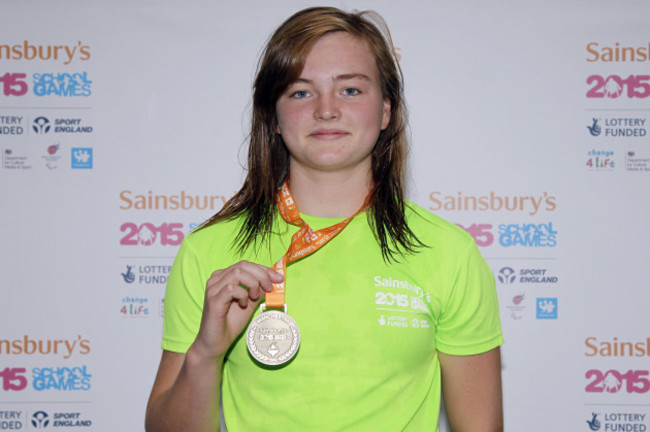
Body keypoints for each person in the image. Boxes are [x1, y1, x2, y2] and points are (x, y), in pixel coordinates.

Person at [145, 6, 503, 432]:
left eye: (350, 90)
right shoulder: (208, 252)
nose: (326, 110)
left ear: (386, 111)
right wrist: (205, 354)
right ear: (274, 117)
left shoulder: (448, 253)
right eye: (300, 92)